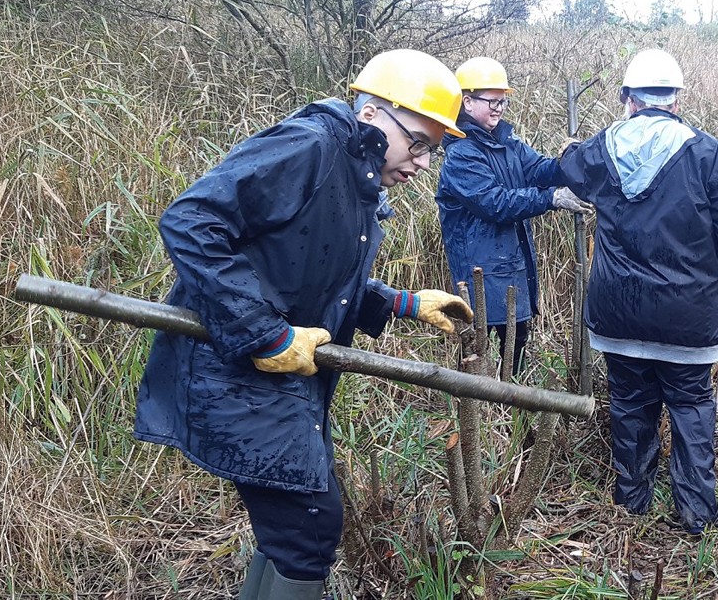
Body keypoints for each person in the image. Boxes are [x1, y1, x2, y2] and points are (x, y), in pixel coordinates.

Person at [132, 49, 475, 600]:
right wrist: (263, 335)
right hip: (236, 373)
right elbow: (192, 221)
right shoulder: (310, 147)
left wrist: (401, 303)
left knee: (295, 534)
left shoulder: (358, 177)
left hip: (282, 381)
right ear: (372, 116)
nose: (422, 163)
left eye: (432, 150)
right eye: (417, 142)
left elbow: (306, 272)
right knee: (308, 529)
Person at [558, 49, 718, 534]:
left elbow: (569, 168)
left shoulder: (599, 151)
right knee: (691, 407)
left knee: (630, 403)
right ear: (675, 100)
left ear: (628, 99)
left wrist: (572, 151)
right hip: (688, 320)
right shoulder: (707, 153)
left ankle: (630, 506)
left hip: (618, 316)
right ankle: (695, 515)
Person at [436, 56, 592, 375]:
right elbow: (496, 203)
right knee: (477, 353)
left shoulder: (508, 143)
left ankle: (515, 418)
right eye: (492, 101)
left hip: (511, 271)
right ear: (466, 101)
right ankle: (480, 418)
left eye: (502, 101)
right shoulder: (461, 156)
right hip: (481, 276)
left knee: (517, 350)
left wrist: (569, 163)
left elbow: (537, 169)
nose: (499, 108)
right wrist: (553, 198)